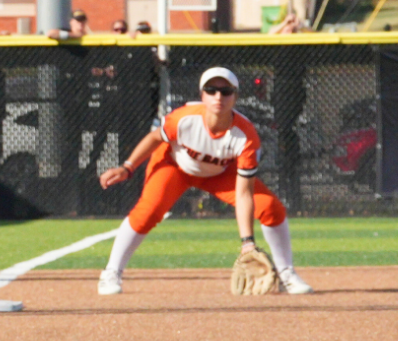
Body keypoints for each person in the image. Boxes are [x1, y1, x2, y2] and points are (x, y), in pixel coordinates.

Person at [95, 67, 312, 295]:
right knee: (147, 212)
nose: (219, 96)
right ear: (202, 95)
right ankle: (111, 272)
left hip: (220, 173)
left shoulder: (245, 136)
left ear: (235, 97)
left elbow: (244, 193)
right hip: (175, 166)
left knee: (270, 208)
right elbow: (154, 137)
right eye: (211, 90)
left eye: (226, 91)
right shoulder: (183, 119)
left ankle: (287, 274)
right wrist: (127, 167)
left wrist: (247, 242)